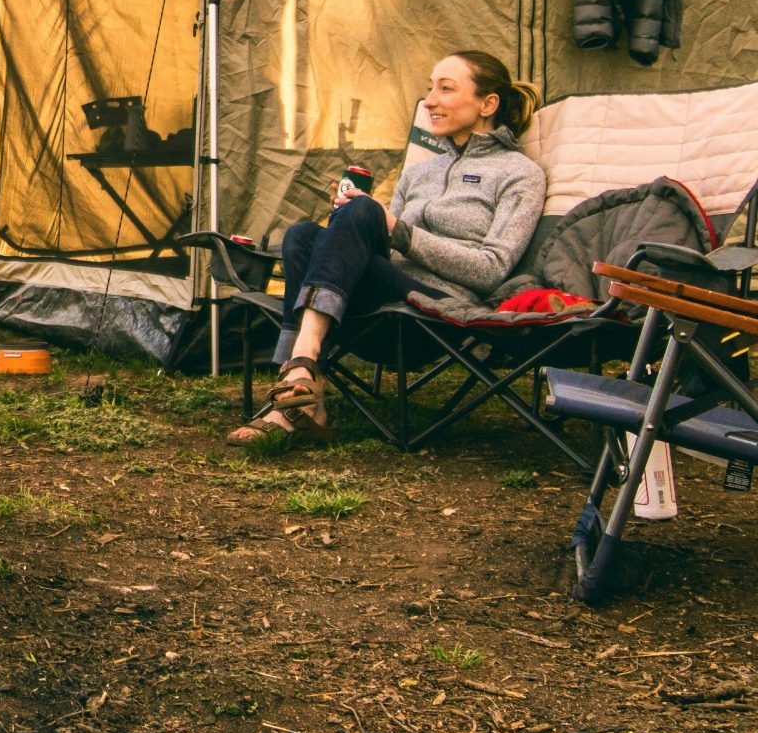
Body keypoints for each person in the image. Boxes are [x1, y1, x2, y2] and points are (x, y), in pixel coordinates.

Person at [228, 51, 545, 445]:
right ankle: (303, 387)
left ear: (488, 104)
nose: (429, 100)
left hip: (438, 315)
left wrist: (397, 229)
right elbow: (385, 249)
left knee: (360, 213)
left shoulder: (520, 174)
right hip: (377, 310)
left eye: (446, 89)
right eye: (430, 87)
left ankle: (298, 375)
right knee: (304, 235)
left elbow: (492, 269)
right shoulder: (419, 173)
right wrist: (350, 226)